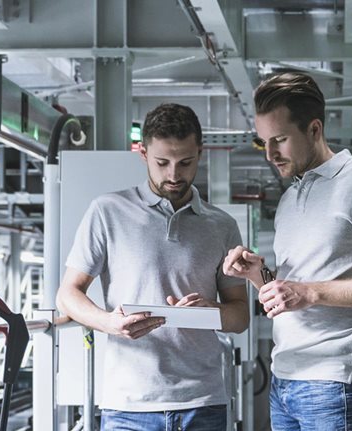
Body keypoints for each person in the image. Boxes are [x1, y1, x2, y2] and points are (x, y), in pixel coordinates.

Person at [223, 73, 352, 430]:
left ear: (314, 129)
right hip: (284, 378)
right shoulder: (288, 199)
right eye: (263, 142)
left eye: (280, 140)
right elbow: (291, 293)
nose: (270, 155)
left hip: (335, 382)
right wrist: (257, 275)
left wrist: (311, 292)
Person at [57, 103, 249, 431]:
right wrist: (108, 323)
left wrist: (211, 311)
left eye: (185, 162)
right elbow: (67, 295)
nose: (174, 174)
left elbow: (240, 316)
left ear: (200, 153)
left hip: (202, 403)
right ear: (143, 153)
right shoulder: (107, 212)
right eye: (162, 162)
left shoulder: (222, 225)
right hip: (129, 405)